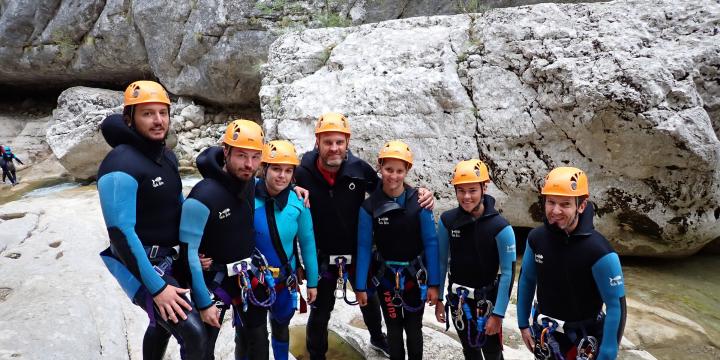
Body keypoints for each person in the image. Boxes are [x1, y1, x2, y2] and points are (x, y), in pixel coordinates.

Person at [294, 112, 435, 359]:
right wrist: (292, 187)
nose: (334, 148)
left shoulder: (359, 170)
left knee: (369, 299)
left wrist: (420, 194)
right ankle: (317, 354)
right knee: (321, 310)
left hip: (358, 249)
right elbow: (273, 186)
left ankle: (377, 338)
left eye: (339, 142)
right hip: (322, 252)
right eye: (328, 142)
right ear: (317, 142)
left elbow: (389, 187)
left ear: (348, 142)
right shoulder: (302, 171)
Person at [179, 120, 309, 360]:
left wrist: (294, 188)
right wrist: (202, 301)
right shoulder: (202, 196)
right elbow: (188, 251)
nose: (248, 164)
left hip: (246, 278)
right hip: (214, 282)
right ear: (225, 151)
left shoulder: (250, 183)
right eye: (241, 155)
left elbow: (273, 184)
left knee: (258, 342)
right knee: (201, 346)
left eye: (255, 157)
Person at [97, 80, 207, 360]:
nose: (158, 120)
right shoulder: (119, 164)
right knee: (193, 331)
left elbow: (176, 204)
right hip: (137, 262)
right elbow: (120, 235)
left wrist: (194, 249)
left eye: (163, 112)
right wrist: (157, 288)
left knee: (161, 325)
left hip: (168, 257)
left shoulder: (166, 156)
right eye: (147, 113)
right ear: (129, 119)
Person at [516, 167, 626, 360]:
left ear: (581, 206)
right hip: (546, 334)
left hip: (583, 340)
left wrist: (608, 353)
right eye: (550, 202)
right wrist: (523, 324)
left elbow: (616, 305)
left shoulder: (599, 250)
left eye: (565, 204)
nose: (555, 211)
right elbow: (526, 280)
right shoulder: (536, 239)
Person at [355, 140, 441, 360]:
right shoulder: (369, 207)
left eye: (399, 171)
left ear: (407, 171)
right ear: (380, 167)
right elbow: (364, 247)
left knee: (413, 329)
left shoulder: (420, 202)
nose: (393, 176)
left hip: (415, 279)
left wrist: (434, 284)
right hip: (386, 280)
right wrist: (360, 285)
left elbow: (431, 243)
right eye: (388, 169)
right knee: (393, 329)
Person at [435, 159, 517, 360]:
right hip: (458, 300)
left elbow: (508, 273)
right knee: (469, 350)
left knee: (492, 352)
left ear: (484, 187)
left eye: (472, 190)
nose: (466, 196)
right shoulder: (447, 221)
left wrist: (498, 315)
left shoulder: (501, 227)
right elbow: (441, 262)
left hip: (487, 302)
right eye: (461, 190)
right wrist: (439, 299)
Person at [253, 140, 319, 360]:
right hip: (253, 281)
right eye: (276, 169)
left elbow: (308, 243)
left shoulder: (298, 202)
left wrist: (312, 282)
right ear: (264, 169)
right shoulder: (245, 196)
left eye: (288, 171)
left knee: (281, 326)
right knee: (252, 334)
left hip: (284, 279)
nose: (281, 176)